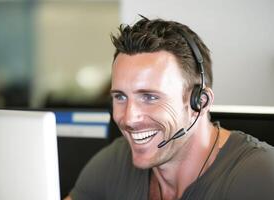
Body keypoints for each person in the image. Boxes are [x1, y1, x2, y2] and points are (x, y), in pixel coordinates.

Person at [64, 16, 274, 200]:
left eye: (149, 97)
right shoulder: (115, 161)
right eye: (120, 96)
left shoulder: (258, 176)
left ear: (199, 103)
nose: (128, 118)